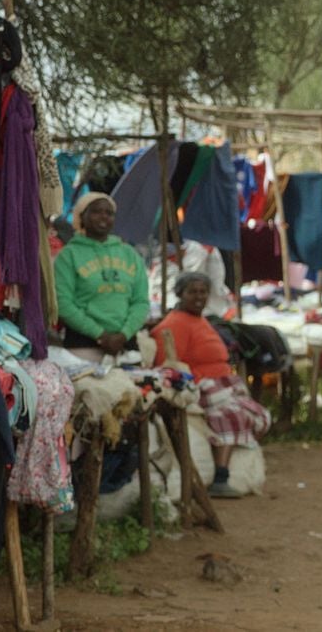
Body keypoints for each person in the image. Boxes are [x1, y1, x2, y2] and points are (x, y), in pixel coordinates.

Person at [151, 272, 272, 499]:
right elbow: (170, 364)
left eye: (203, 292)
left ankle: (236, 469)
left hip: (223, 383)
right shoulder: (175, 323)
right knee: (230, 415)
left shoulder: (200, 319)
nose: (199, 297)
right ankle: (221, 476)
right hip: (200, 386)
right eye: (192, 292)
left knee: (255, 413)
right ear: (180, 294)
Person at [54, 193, 150, 364]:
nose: (103, 216)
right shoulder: (68, 255)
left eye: (109, 213)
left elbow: (141, 301)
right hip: (83, 346)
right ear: (81, 216)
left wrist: (123, 335)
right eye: (96, 211)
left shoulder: (129, 253)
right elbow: (63, 304)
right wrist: (100, 335)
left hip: (125, 347)